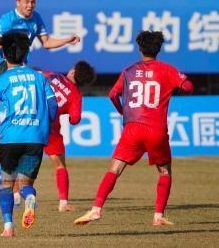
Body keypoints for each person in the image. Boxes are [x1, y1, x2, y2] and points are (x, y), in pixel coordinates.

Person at [74, 31, 193, 226]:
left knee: (115, 169)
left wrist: (124, 112)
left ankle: (96, 209)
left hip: (133, 128)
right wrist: (180, 87)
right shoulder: (167, 69)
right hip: (156, 129)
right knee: (164, 172)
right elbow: (187, 86)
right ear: (158, 49)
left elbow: (112, 95)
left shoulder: (129, 70)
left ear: (140, 48)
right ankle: (158, 216)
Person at [0, 32, 57, 237]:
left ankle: (8, 227)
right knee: (26, 184)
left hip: (11, 138)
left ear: (3, 55)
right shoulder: (39, 77)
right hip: (35, 137)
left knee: (6, 185)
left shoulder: (1, 80)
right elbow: (53, 105)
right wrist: (47, 124)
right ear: (26, 53)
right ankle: (29, 197)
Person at [0, 0, 80, 74]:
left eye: (33, 2)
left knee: (40, 75)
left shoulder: (36, 18)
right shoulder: (8, 19)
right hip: (3, 64)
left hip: (21, 65)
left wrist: (67, 40)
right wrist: (11, 46)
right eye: (26, 2)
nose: (30, 5)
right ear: (18, 2)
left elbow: (47, 42)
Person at [43, 61, 96, 212]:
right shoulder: (76, 95)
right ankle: (63, 203)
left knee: (20, 157)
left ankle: (15, 195)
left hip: (29, 119)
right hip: (49, 128)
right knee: (60, 165)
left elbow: (37, 76)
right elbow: (75, 119)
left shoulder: (54, 76)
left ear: (73, 71)